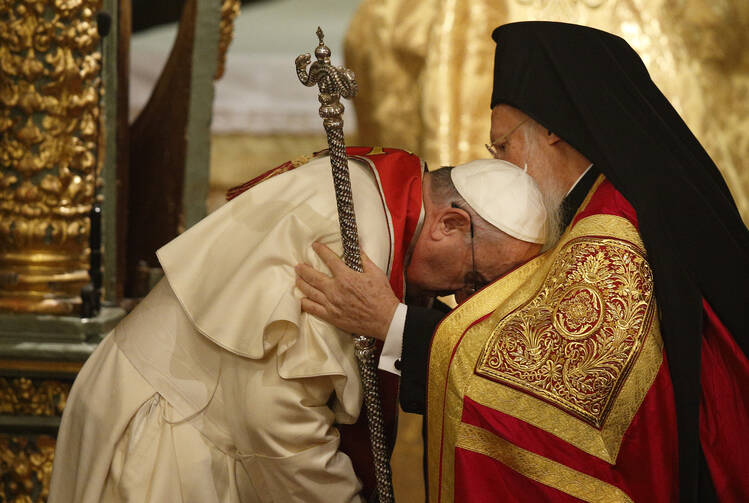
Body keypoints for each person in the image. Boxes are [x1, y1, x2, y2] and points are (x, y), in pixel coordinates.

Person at [295, 23, 749, 502]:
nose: (502, 167)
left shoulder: (612, 230)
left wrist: (392, 323)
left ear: (551, 130)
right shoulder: (599, 207)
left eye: (503, 146)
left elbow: (543, 396)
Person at [48, 146, 547, 503]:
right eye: (476, 279)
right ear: (450, 224)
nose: (464, 300)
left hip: (196, 416)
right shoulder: (348, 248)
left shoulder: (383, 190)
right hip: (172, 431)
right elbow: (277, 421)